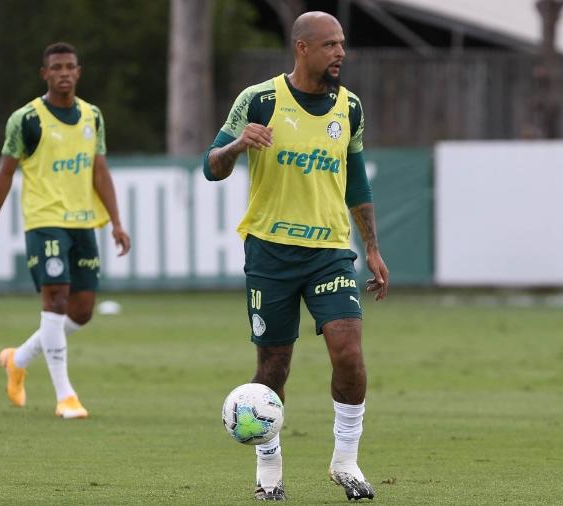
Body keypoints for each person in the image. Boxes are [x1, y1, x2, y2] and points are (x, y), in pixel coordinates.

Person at [204, 11, 389, 501]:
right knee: (273, 369)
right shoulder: (259, 100)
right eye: (330, 45)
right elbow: (211, 166)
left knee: (349, 354)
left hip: (330, 250)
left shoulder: (349, 107)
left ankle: (346, 462)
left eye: (342, 45)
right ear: (302, 48)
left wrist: (370, 246)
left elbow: (356, 180)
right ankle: (269, 470)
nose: (340, 54)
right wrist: (240, 143)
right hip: (270, 252)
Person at [0, 42, 131, 420]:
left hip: (83, 224)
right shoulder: (26, 120)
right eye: (56, 67)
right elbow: (4, 177)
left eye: (70, 66)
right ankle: (66, 396)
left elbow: (100, 172)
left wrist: (116, 222)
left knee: (81, 311)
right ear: (45, 74)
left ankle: (18, 359)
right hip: (44, 222)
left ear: (78, 72)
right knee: (56, 299)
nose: (64, 72)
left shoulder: (92, 116)